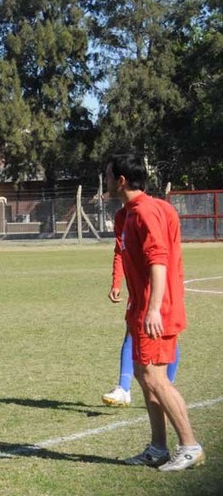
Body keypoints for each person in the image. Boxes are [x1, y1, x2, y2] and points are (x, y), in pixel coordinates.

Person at [105, 153, 204, 471]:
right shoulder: (128, 214)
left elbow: (159, 261)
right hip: (141, 308)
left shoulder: (147, 212)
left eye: (108, 176)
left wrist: (153, 309)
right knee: (144, 377)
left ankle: (189, 446)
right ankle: (158, 447)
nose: (105, 182)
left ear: (121, 181)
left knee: (156, 378)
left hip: (156, 310)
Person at [102, 209, 179, 408]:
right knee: (131, 332)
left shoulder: (150, 213)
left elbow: (162, 257)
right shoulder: (121, 216)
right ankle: (124, 388)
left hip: (161, 287)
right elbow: (120, 250)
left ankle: (166, 388)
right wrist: (116, 282)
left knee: (167, 333)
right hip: (137, 291)